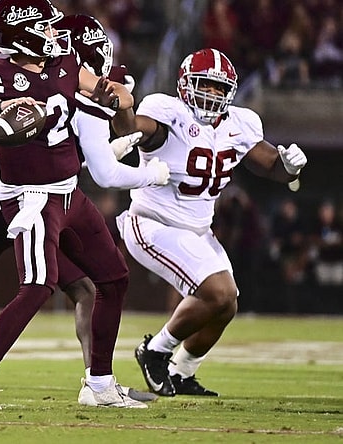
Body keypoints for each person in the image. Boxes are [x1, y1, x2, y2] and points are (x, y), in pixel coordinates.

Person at [0, 1, 154, 409]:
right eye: (47, 28)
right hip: (31, 198)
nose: (56, 34)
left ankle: (100, 384)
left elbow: (114, 95)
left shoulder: (66, 64)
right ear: (22, 34)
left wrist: (117, 98)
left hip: (70, 193)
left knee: (114, 280)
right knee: (37, 287)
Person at [111, 48, 308, 396]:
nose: (212, 94)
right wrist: (123, 105)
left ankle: (183, 370)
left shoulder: (240, 123)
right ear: (186, 85)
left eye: (219, 88)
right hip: (154, 223)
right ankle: (155, 350)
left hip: (199, 231)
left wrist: (288, 166)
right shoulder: (167, 113)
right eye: (205, 85)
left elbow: (269, 166)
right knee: (219, 291)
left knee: (226, 305)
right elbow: (131, 129)